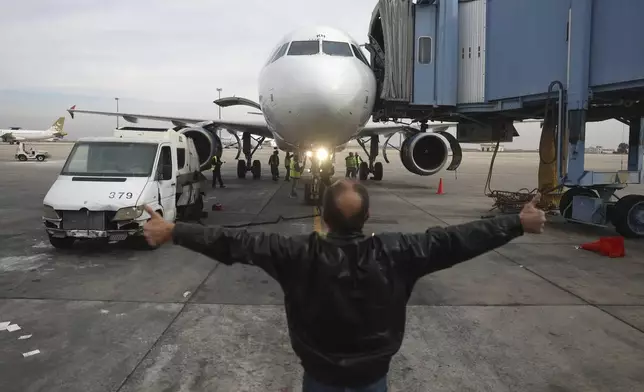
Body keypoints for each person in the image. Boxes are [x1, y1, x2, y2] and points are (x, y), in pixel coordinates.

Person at [142, 180, 547, 392]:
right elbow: (461, 238)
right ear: (369, 216)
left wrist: (174, 229)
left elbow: (232, 243)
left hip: (320, 377)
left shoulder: (296, 253)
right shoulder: (400, 252)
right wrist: (517, 223)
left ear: (325, 217)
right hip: (373, 376)